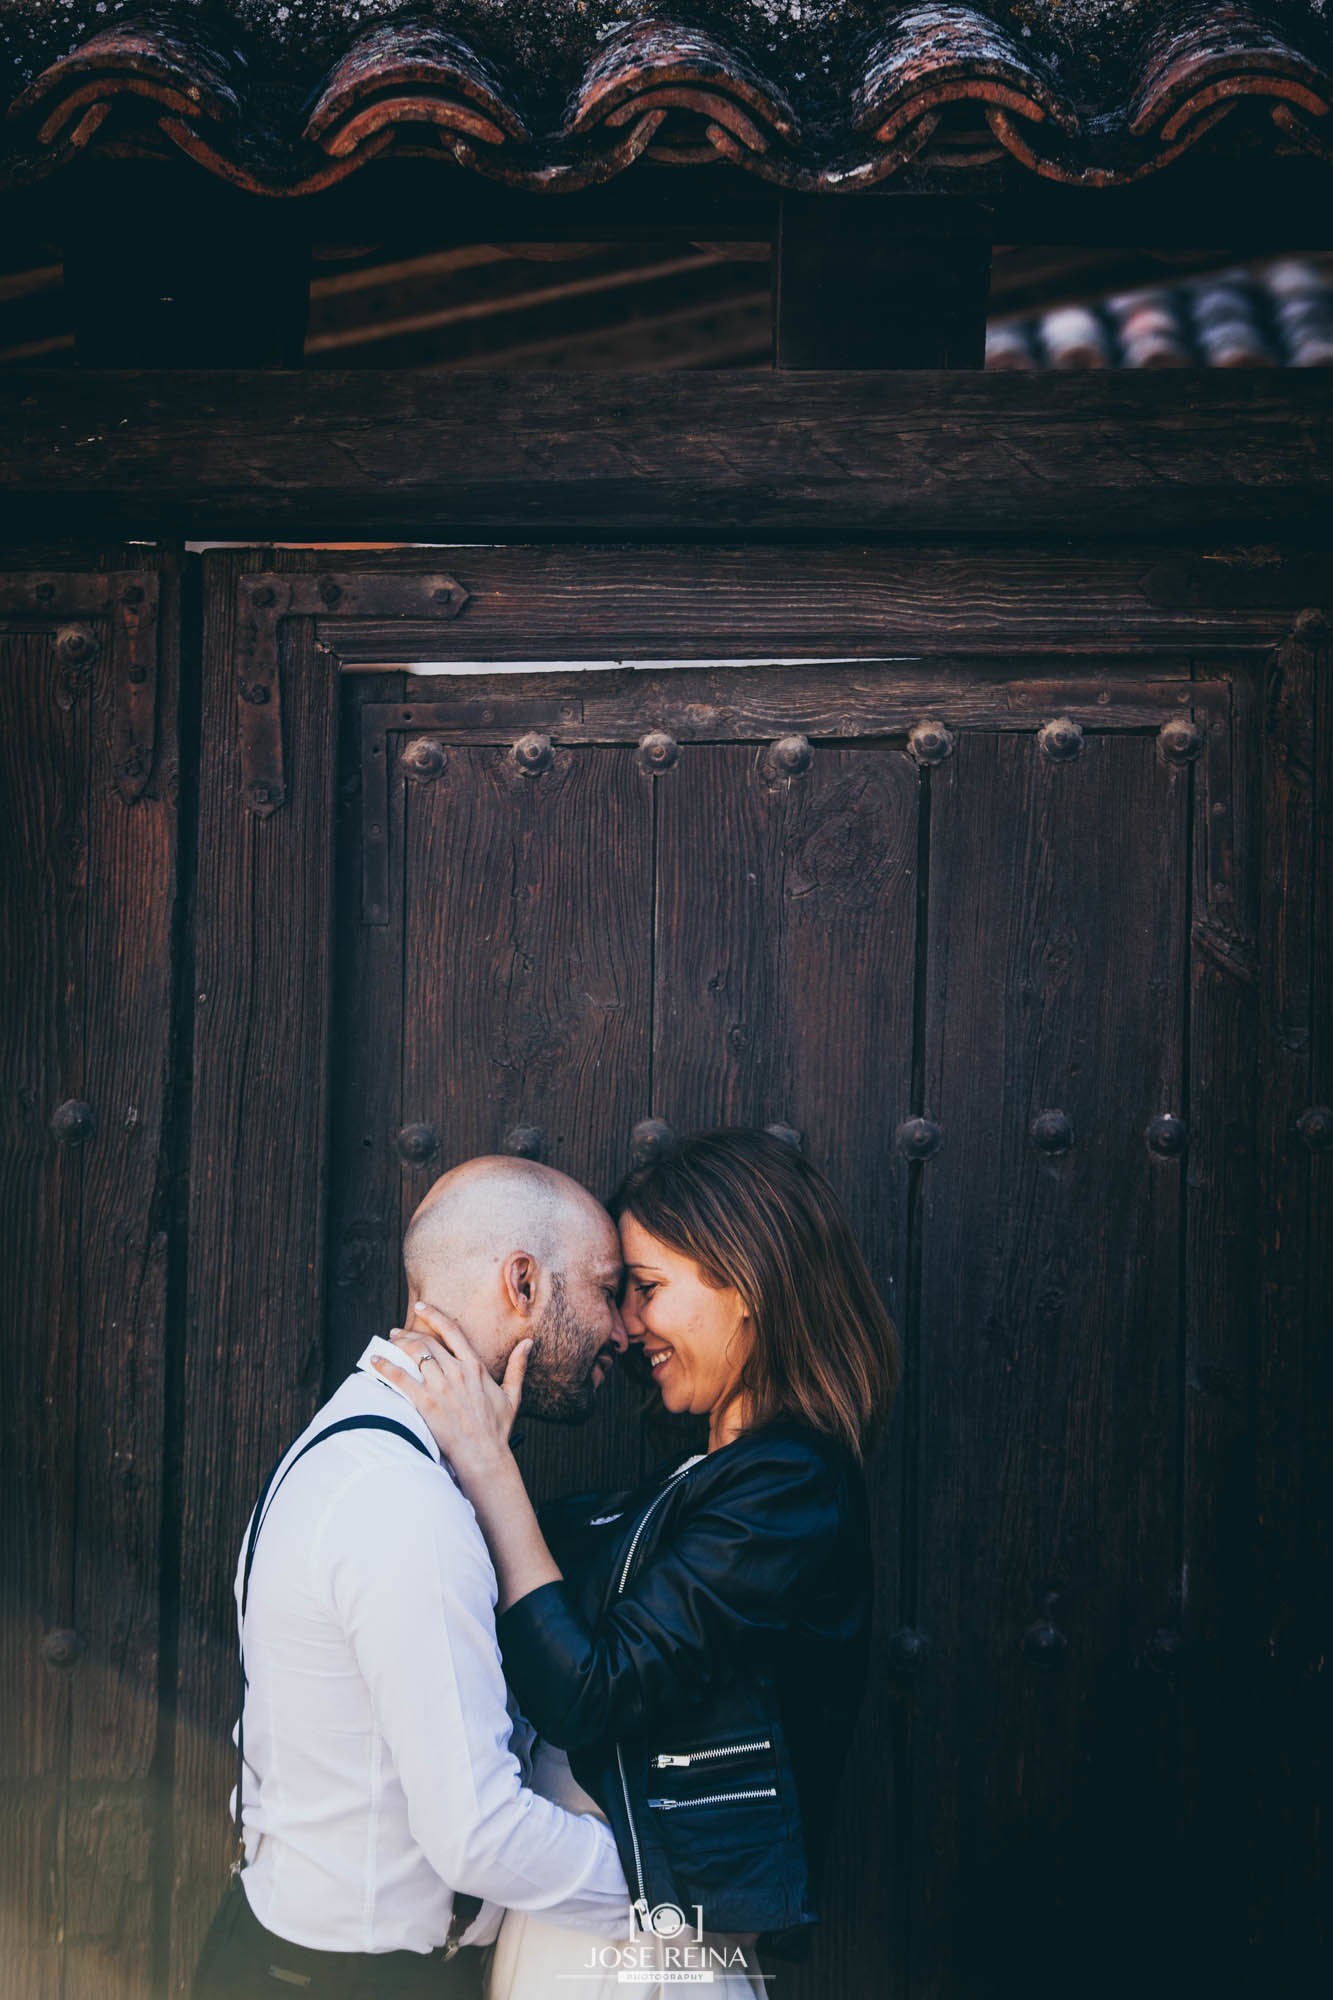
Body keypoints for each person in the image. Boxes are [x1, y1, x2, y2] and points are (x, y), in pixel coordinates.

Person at [374, 1127, 903, 2000]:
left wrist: (489, 1468)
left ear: (749, 1289)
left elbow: (592, 1693)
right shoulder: (702, 1481)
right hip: (591, 1936)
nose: (625, 1327)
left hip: (652, 1961)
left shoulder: (790, 1487)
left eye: (646, 1290)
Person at [192, 1157, 639, 2000]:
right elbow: (480, 1836)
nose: (621, 1330)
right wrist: (682, 1888)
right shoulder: (401, 1500)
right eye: (605, 1289)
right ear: (523, 1283)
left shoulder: (365, 1448)